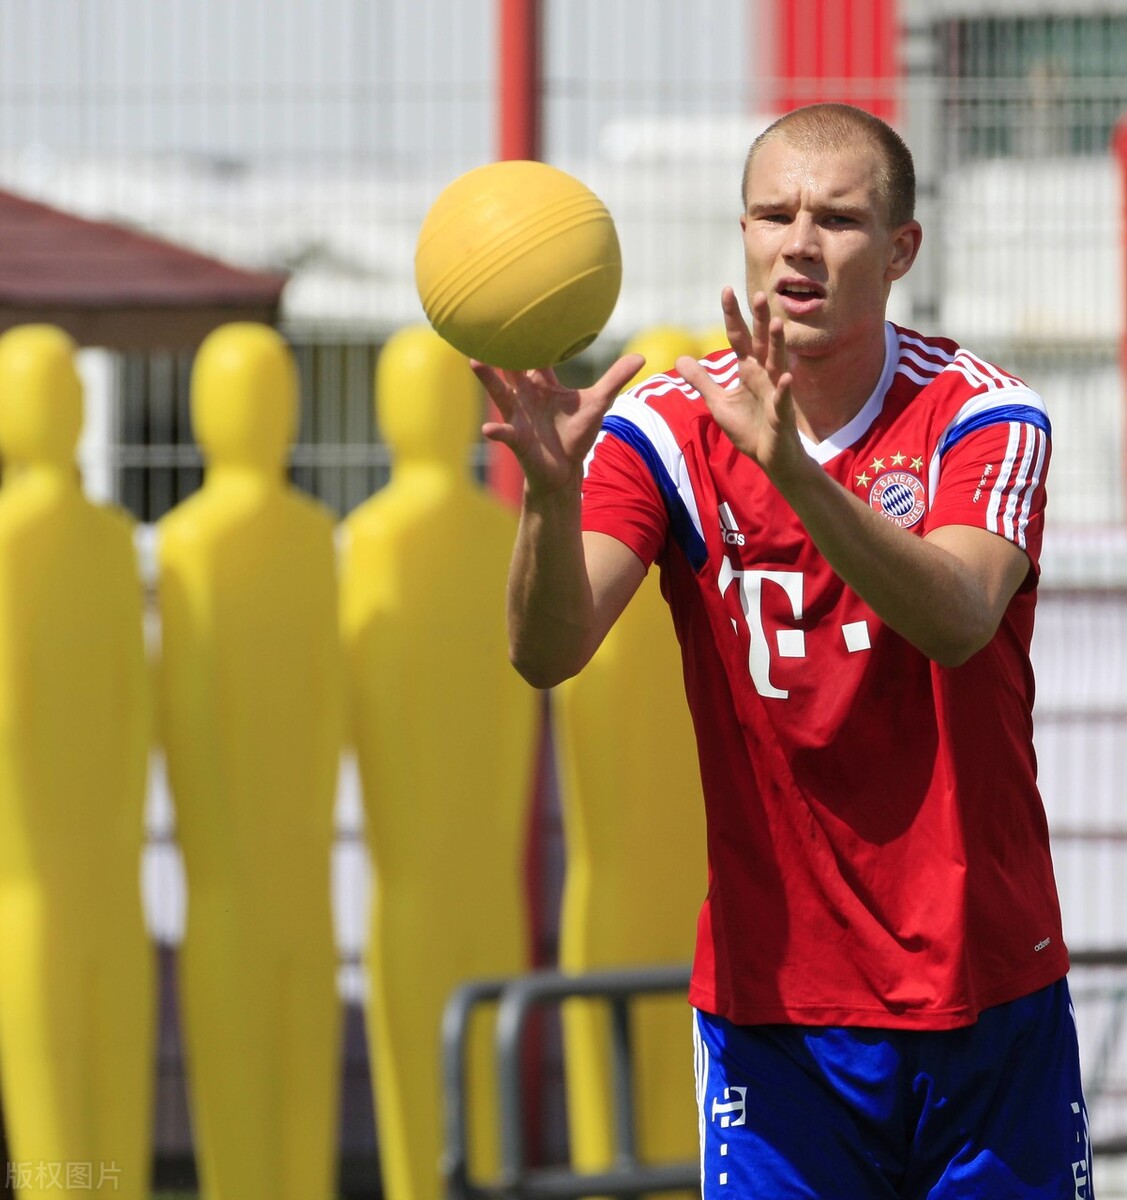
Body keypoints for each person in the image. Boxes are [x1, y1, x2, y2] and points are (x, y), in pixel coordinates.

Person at [474, 102, 1092, 1198]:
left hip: (981, 991)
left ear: (899, 249)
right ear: (744, 232)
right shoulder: (664, 426)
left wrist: (795, 475)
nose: (798, 242)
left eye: (838, 220)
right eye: (773, 213)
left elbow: (954, 617)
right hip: (776, 1011)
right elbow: (545, 653)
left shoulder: (981, 417)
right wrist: (547, 504)